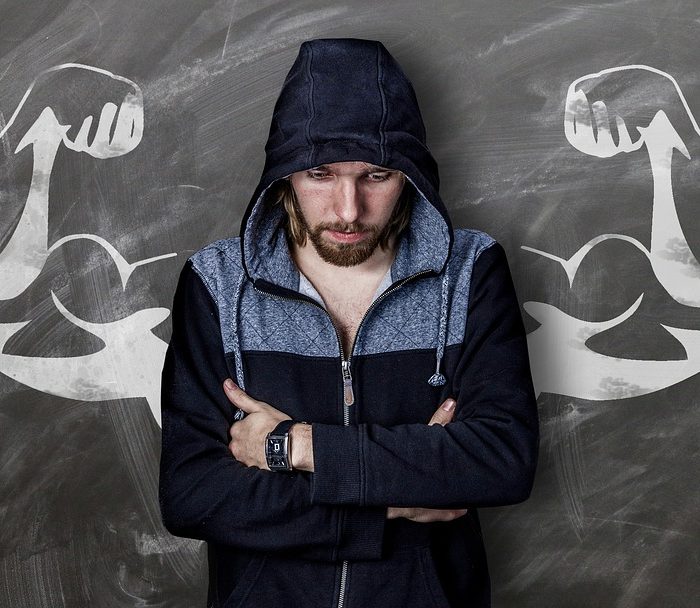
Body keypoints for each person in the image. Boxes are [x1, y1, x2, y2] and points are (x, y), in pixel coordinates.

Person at [159, 38, 539, 608]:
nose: (347, 210)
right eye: (319, 174)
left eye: (376, 176)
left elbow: (501, 461)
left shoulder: (471, 271)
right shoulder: (216, 282)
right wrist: (391, 504)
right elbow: (193, 495)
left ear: (409, 175)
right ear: (284, 175)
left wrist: (298, 449)